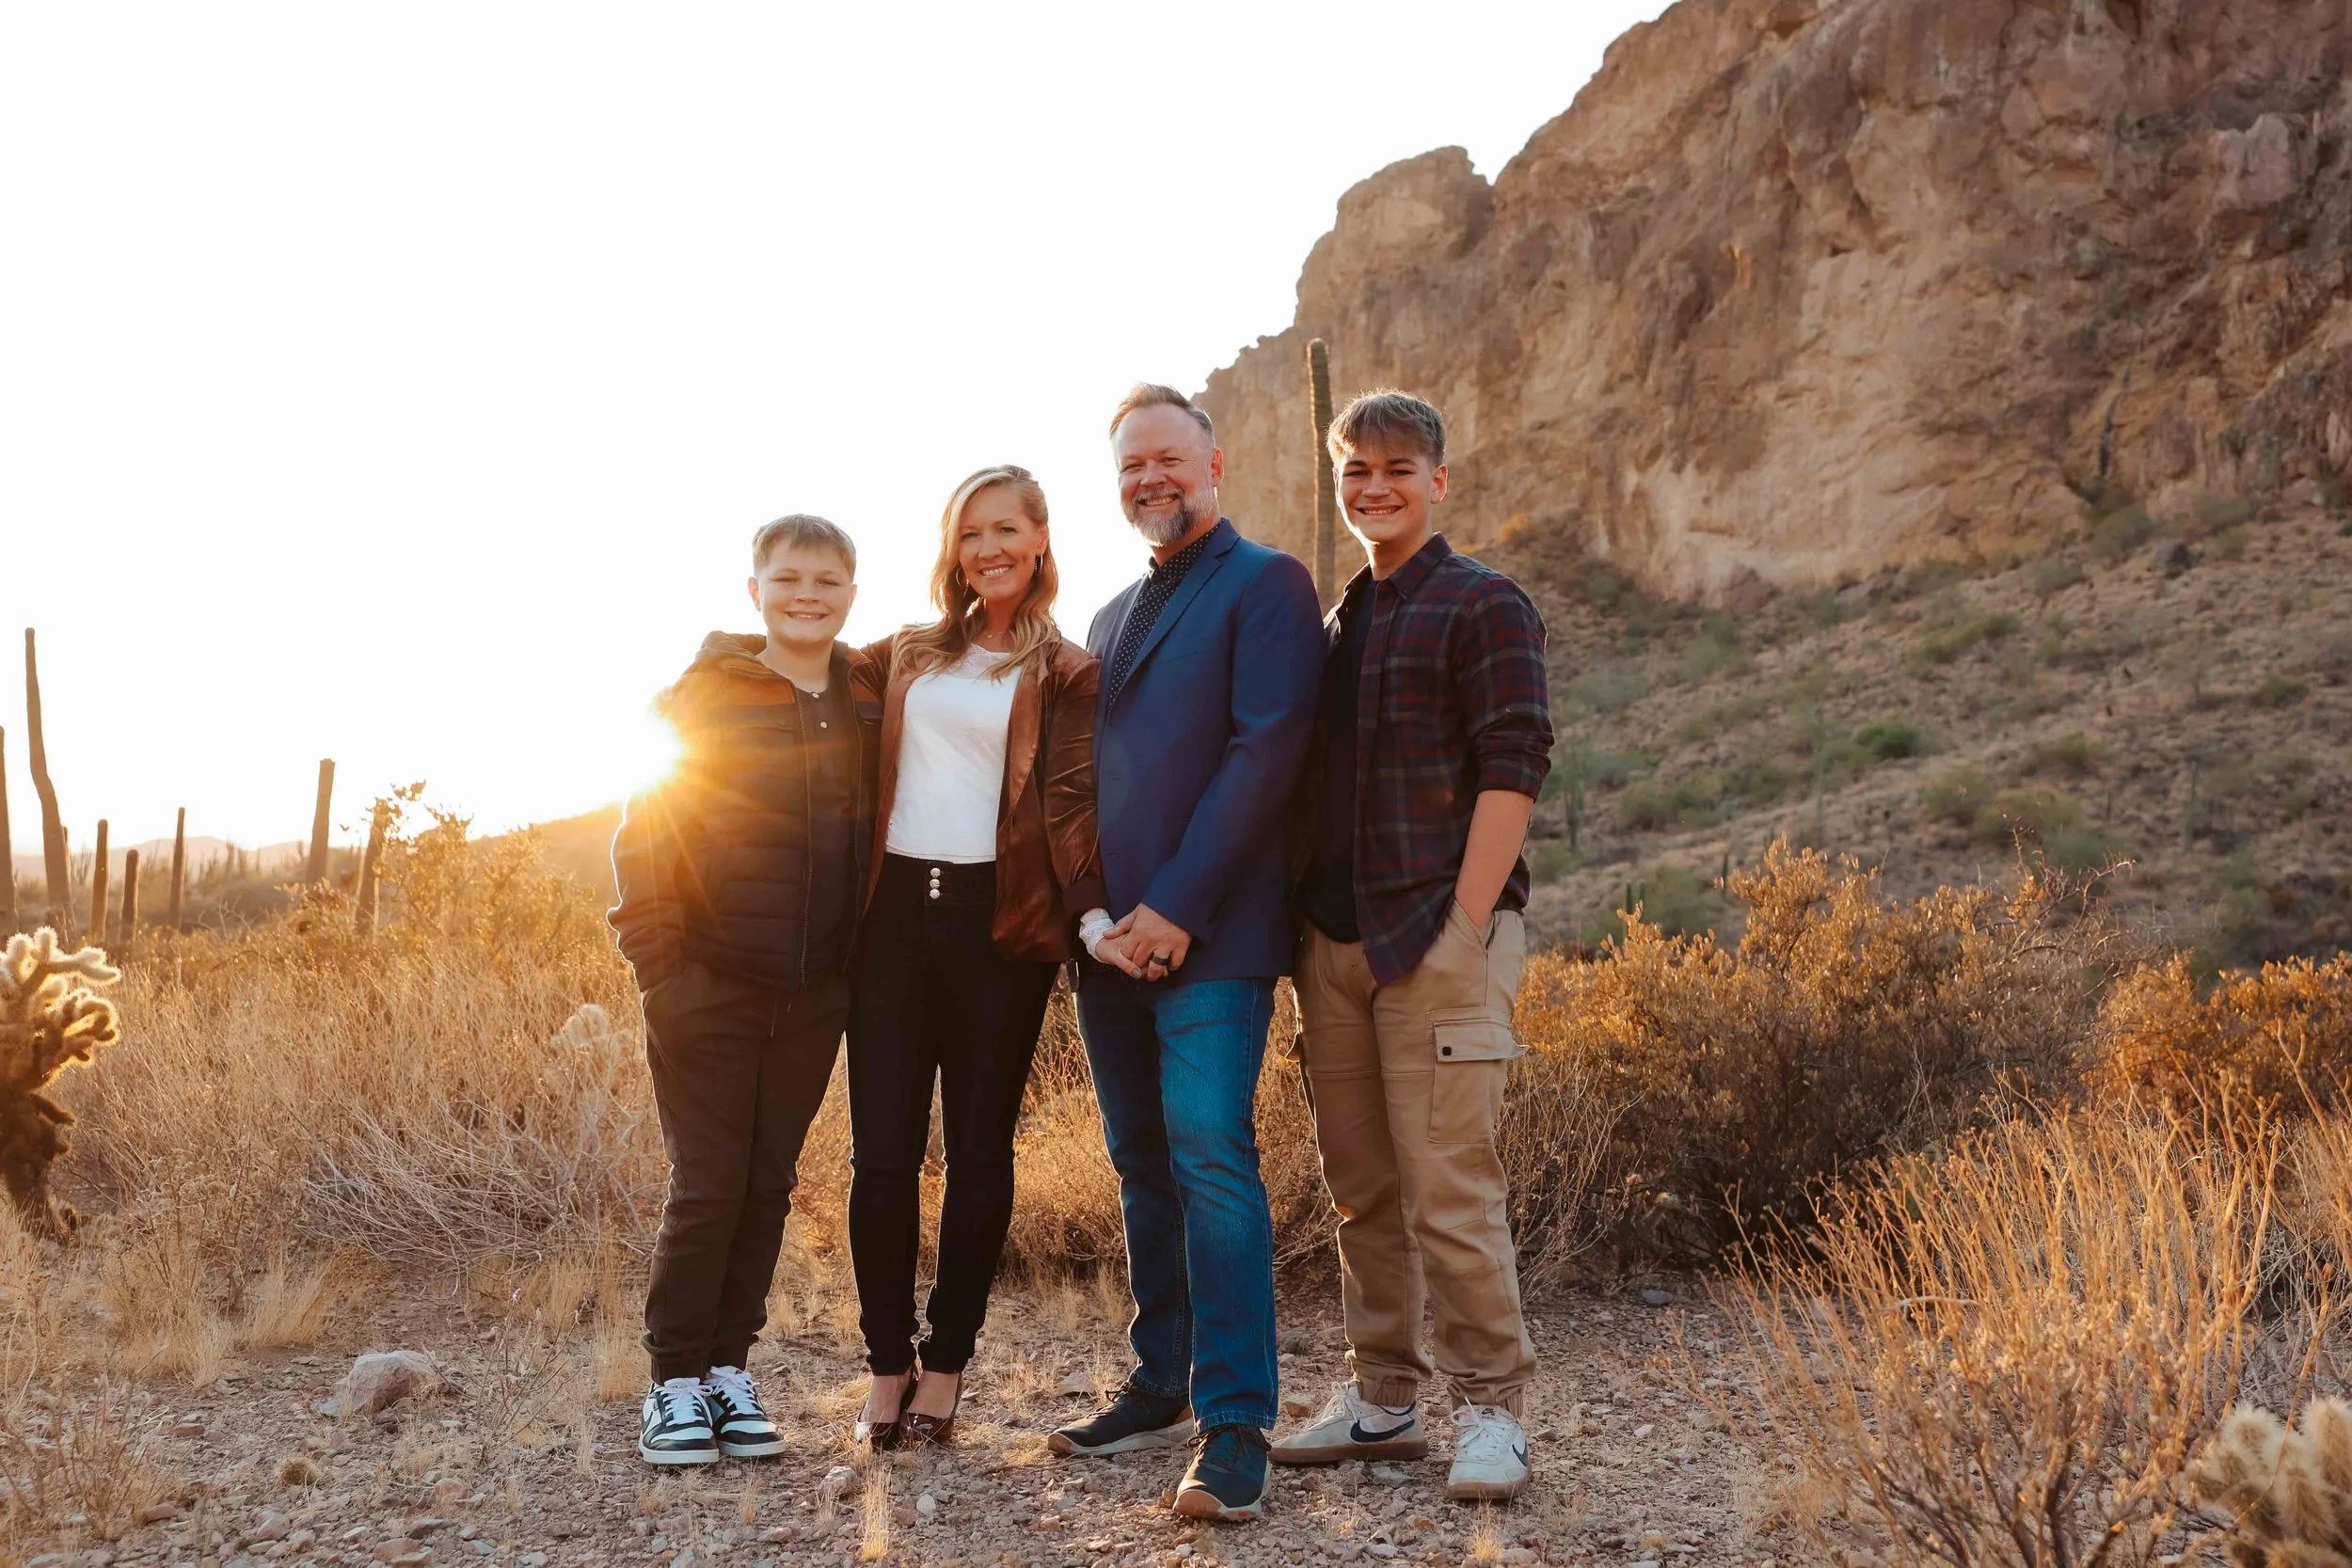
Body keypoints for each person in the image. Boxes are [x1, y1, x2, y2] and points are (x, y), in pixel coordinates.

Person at [1269, 391, 1552, 1502]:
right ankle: (1383, 1397)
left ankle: (1493, 1410)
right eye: (1355, 471)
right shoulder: (1338, 623)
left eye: (1395, 467)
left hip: (1435, 935)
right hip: (1332, 944)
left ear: (1438, 478)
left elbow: (1514, 758)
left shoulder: (1484, 600)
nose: (1373, 487)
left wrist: (1465, 925)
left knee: (1450, 1185)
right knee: (1360, 1189)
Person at [1049, 385, 1324, 1523]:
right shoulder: (1108, 618)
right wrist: (1096, 918)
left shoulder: (1268, 584)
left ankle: (1235, 1419)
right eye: (1130, 466)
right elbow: (1074, 788)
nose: (1150, 479)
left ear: (1215, 464)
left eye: (1168, 458)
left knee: (1210, 1153)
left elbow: (1265, 754)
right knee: (1139, 1163)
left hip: (1211, 936)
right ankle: (1160, 1378)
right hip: (1110, 944)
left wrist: (1173, 908)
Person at [845, 465, 1119, 1450]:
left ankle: (947, 1361)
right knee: (879, 1154)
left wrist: (1088, 917)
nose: (988, 548)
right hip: (888, 925)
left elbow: (1074, 805)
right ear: (952, 549)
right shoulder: (909, 652)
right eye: (970, 533)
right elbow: (806, 671)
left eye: (1006, 528)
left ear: (1040, 539)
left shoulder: (1069, 670)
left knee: (977, 1155)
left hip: (998, 930)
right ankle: (886, 1361)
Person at [609, 514, 882, 1466]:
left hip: (811, 997)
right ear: (755, 588)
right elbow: (646, 834)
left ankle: (729, 1370)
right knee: (709, 1182)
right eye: (788, 577)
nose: (808, 593)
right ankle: (672, 1382)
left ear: (852, 590)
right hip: (709, 988)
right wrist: (663, 972)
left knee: (767, 1184)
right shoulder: (705, 693)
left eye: (828, 580)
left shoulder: (862, 695)